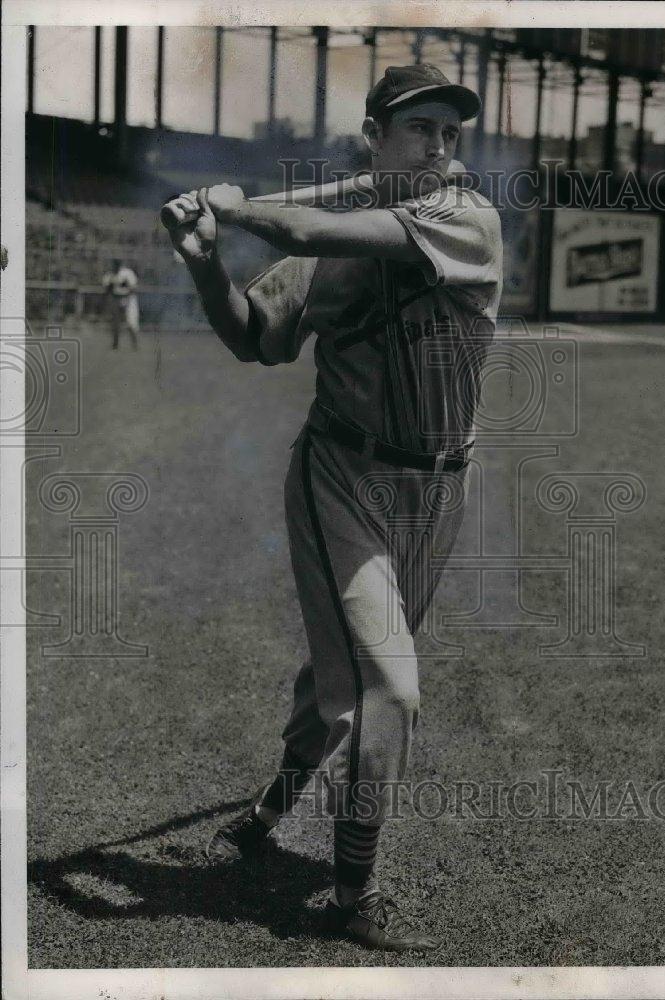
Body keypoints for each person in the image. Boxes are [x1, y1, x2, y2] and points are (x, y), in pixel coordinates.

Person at [161, 64, 502, 953]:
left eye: (449, 133)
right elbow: (254, 339)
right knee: (387, 683)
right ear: (376, 139)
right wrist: (206, 268)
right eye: (419, 130)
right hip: (342, 476)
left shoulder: (465, 217)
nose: (439, 147)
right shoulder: (321, 255)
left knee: (340, 670)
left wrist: (234, 209)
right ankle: (352, 895)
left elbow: (309, 222)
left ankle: (268, 809)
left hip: (439, 486)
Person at [102, 258, 139, 349]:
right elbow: (107, 289)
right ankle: (115, 344)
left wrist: (125, 293)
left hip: (129, 299)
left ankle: (134, 344)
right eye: (114, 265)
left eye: (117, 265)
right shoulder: (109, 275)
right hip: (116, 299)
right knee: (115, 323)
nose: (115, 267)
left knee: (131, 322)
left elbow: (133, 288)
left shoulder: (127, 273)